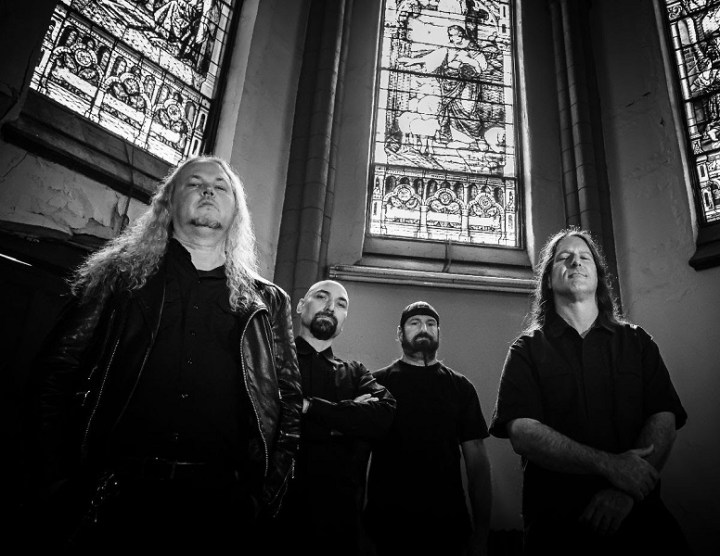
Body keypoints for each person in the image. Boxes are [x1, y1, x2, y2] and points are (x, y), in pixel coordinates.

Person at [30, 155, 302, 554]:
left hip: (221, 507)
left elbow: (288, 403)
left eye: (221, 186)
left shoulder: (269, 301)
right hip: (114, 499)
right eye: (194, 183)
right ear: (168, 203)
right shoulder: (116, 277)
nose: (208, 190)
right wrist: (57, 479)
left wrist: (263, 498)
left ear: (236, 211)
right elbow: (56, 372)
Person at [489, 228, 691, 556]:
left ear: (598, 276)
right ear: (548, 280)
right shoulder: (526, 350)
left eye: (585, 257)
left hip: (641, 518)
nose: (576, 262)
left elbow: (664, 416)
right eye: (564, 258)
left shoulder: (637, 342)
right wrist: (609, 465)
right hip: (558, 526)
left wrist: (626, 491)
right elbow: (522, 432)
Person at [269, 279, 396, 556]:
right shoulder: (270, 363)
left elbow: (384, 416)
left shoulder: (355, 372)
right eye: (322, 297)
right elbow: (268, 422)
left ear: (344, 320)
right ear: (300, 306)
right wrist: (344, 423)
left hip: (339, 522)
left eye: (341, 304)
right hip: (276, 514)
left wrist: (307, 407)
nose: (330, 306)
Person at [365, 301, 492, 556]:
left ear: (438, 333)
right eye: (415, 323)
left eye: (430, 323)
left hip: (448, 527)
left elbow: (477, 464)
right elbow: (356, 458)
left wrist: (481, 533)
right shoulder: (377, 384)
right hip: (386, 525)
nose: (424, 328)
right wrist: (359, 531)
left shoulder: (461, 388)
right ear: (400, 333)